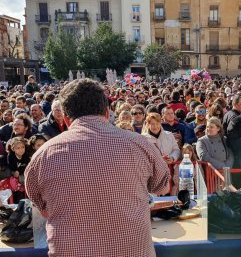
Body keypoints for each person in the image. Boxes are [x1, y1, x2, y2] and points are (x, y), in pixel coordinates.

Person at [25, 78, 170, 256]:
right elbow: (163, 187)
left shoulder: (43, 155)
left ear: (67, 119)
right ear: (108, 113)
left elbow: (43, 209)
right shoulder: (140, 144)